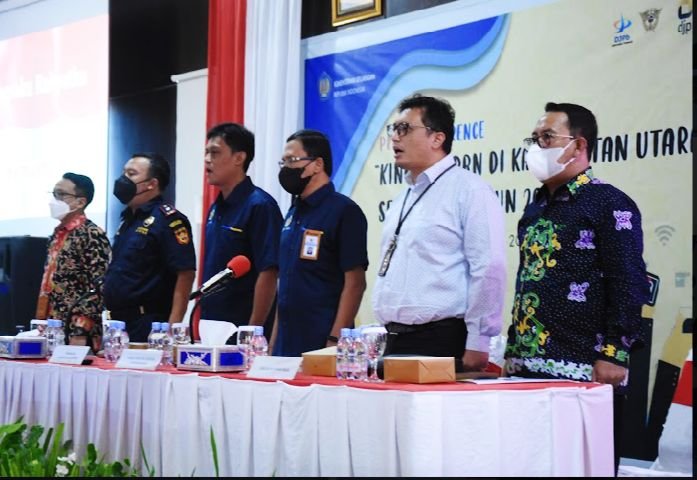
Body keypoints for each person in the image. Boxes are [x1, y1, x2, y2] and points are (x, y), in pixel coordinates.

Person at [504, 102, 650, 473]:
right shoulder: (536, 207)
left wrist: (615, 353)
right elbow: (527, 280)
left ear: (579, 145)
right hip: (526, 368)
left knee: (584, 467)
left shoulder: (609, 202)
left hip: (586, 368)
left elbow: (629, 280)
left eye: (547, 137)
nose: (537, 146)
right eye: (534, 138)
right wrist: (512, 350)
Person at [372, 94, 507, 373]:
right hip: (395, 339)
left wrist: (479, 340)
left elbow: (489, 267)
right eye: (394, 129)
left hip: (442, 340)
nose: (395, 138)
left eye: (405, 129)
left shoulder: (470, 190)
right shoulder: (402, 198)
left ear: (437, 138)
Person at [271, 129, 368, 357]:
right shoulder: (293, 213)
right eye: (283, 162)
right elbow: (285, 285)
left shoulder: (344, 211)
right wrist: (272, 345)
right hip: (285, 345)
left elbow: (355, 283)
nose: (286, 168)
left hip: (322, 341)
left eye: (292, 160)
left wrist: (335, 341)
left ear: (317, 164)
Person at [200, 122, 283, 338]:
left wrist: (252, 331)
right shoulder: (215, 208)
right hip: (212, 324)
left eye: (215, 153)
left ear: (239, 158)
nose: (207, 159)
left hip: (242, 327)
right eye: (206, 152)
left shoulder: (260, 206)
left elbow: (269, 272)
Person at [103, 153, 196, 342]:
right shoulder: (128, 219)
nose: (123, 179)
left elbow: (185, 274)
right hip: (118, 324)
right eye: (124, 172)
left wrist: (172, 329)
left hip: (148, 324)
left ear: (151, 184)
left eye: (131, 174)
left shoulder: (168, 220)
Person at [36, 173, 111, 352]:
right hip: (52, 325)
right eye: (54, 194)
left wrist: (81, 329)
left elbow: (99, 286)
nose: (55, 200)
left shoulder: (92, 234)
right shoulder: (57, 234)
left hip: (78, 331)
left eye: (61, 195)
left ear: (80, 202)